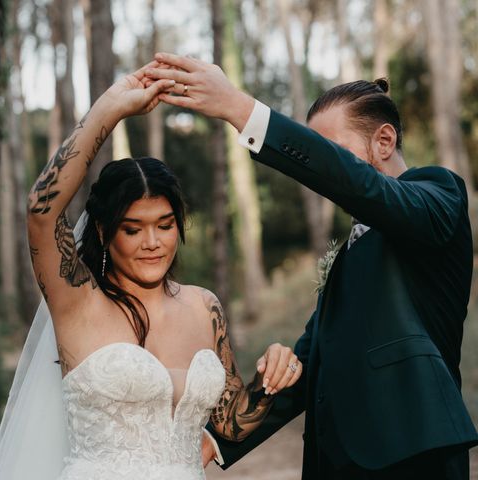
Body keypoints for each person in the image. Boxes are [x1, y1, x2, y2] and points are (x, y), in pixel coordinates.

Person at [146, 53, 478, 479]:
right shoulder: (348, 257)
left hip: (412, 459)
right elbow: (306, 366)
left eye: (331, 151)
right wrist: (217, 439)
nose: (325, 171)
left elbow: (366, 189)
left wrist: (239, 108)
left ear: (384, 141)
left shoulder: (438, 195)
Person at [0, 62, 302, 480]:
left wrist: (270, 378)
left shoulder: (205, 306)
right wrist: (109, 110)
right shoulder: (77, 301)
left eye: (165, 226)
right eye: (132, 229)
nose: (152, 242)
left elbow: (231, 423)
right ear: (103, 230)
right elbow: (42, 212)